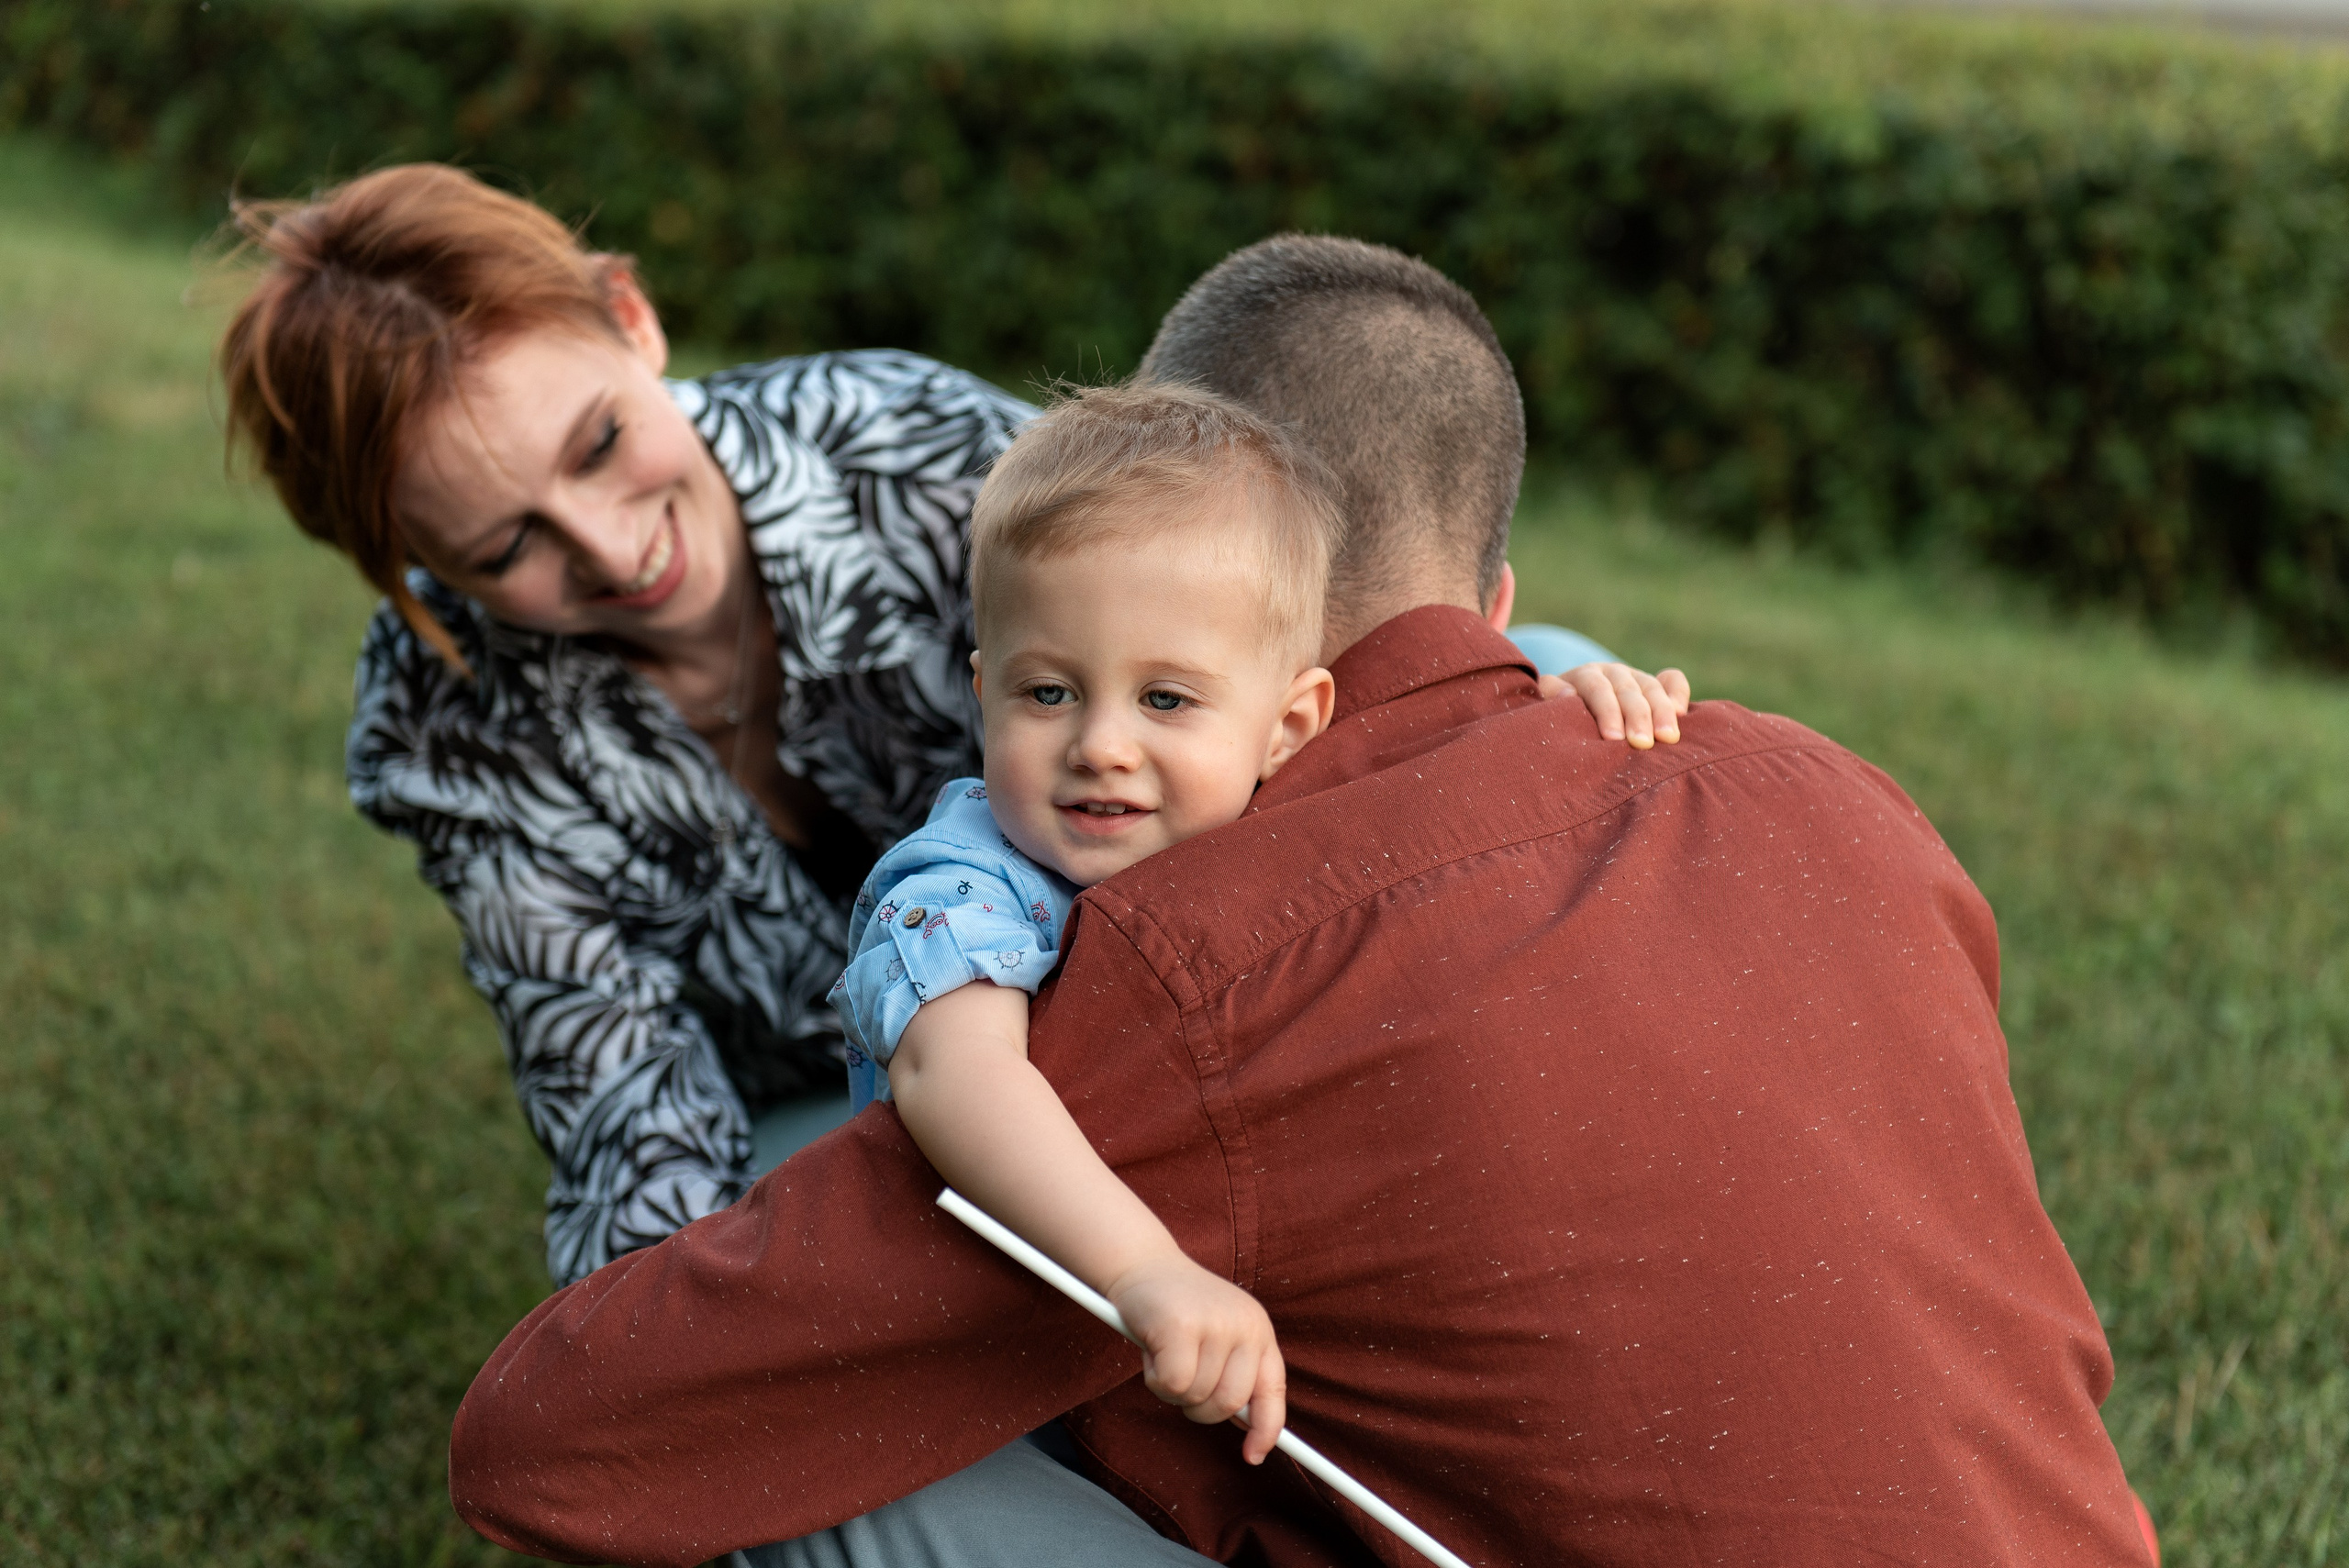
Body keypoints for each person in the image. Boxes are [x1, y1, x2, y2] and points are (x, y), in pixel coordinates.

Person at [444, 239, 2152, 1567]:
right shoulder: (1832, 793)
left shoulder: (1191, 966)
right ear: (1498, 595)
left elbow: (552, 1436)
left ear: (1236, 608)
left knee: (828, 1452)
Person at [217, 170, 1684, 1289]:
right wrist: (658, 1352)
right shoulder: (444, 728)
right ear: (414, 563)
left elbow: (1236, 645)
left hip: (1139, 940)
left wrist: (1527, 702)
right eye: (500, 548)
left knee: (1521, 664)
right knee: (821, 1257)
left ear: (633, 317)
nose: (608, 549)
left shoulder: (906, 447)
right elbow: (619, 1092)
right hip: (844, 1084)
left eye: (600, 442)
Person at [833, 382, 1355, 1470]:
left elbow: (1460, 732)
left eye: (1164, 699)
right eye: (1049, 693)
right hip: (994, 1345)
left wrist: (1581, 692)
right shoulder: (967, 884)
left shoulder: (1274, 809)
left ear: (1288, 725)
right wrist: (1140, 1270)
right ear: (983, 693)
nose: (1102, 744)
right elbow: (955, 1075)